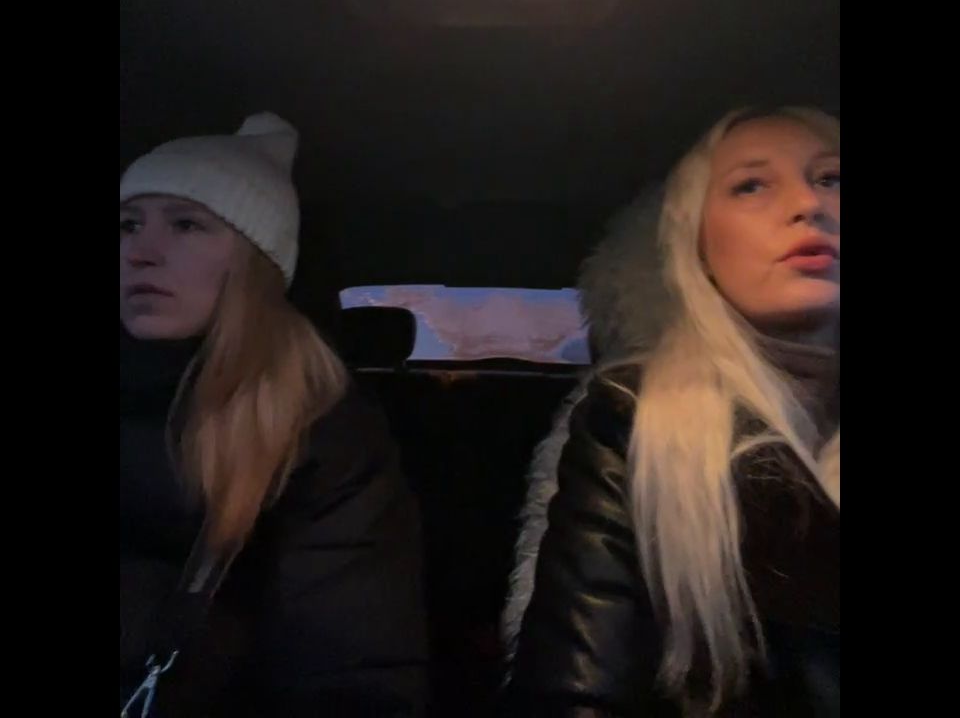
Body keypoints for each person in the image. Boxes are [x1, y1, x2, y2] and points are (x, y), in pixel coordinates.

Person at [504, 106, 840, 716]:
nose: (808, 204)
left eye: (832, 178)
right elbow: (577, 690)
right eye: (751, 185)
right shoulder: (635, 420)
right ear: (698, 249)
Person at [120, 113, 429, 717]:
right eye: (128, 224)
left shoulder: (321, 432)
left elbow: (350, 679)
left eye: (186, 225)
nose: (141, 252)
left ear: (254, 263)